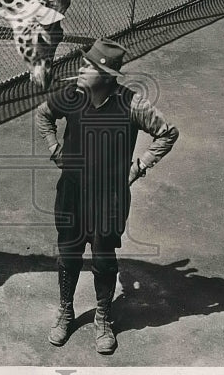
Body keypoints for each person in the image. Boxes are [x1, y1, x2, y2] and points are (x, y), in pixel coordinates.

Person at [35, 38, 178, 354]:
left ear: (107, 74)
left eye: (89, 66)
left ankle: (102, 318)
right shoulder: (72, 96)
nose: (81, 68)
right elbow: (43, 115)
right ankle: (66, 312)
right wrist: (53, 147)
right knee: (69, 256)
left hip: (108, 198)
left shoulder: (132, 104)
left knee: (102, 258)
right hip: (72, 193)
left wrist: (139, 166)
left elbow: (168, 133)